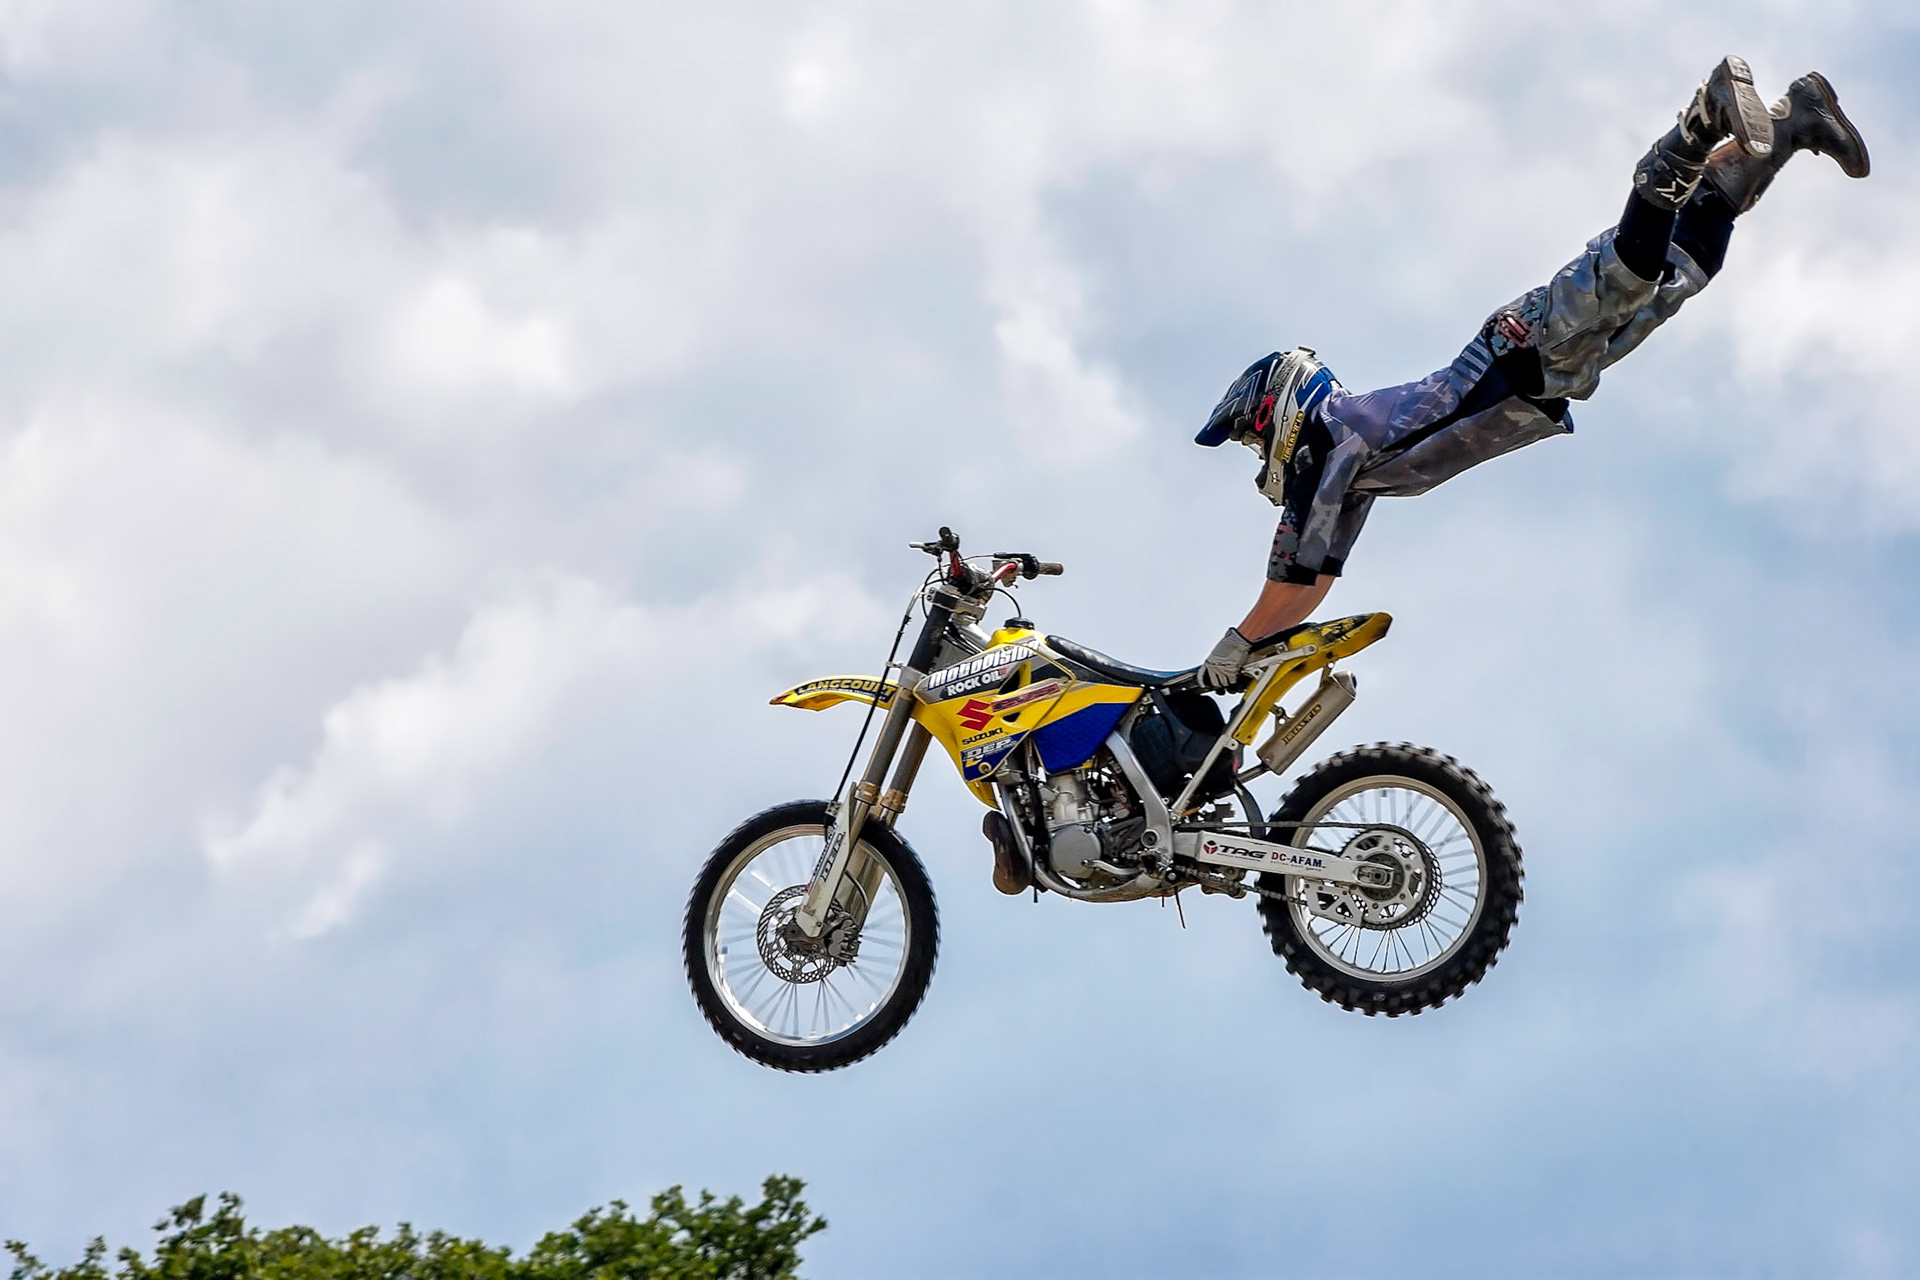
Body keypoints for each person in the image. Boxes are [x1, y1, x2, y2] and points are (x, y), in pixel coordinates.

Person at [1194, 57, 1870, 689]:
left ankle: (1700, 118)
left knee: (1630, 275)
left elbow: (1290, 578)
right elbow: (1313, 582)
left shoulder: (1324, 438)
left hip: (1518, 355)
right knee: (1684, 263)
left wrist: (1230, 647)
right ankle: (1794, 119)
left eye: (1254, 438)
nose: (1261, 453)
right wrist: (1258, 650)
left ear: (1274, 406)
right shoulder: (1352, 472)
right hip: (1539, 377)